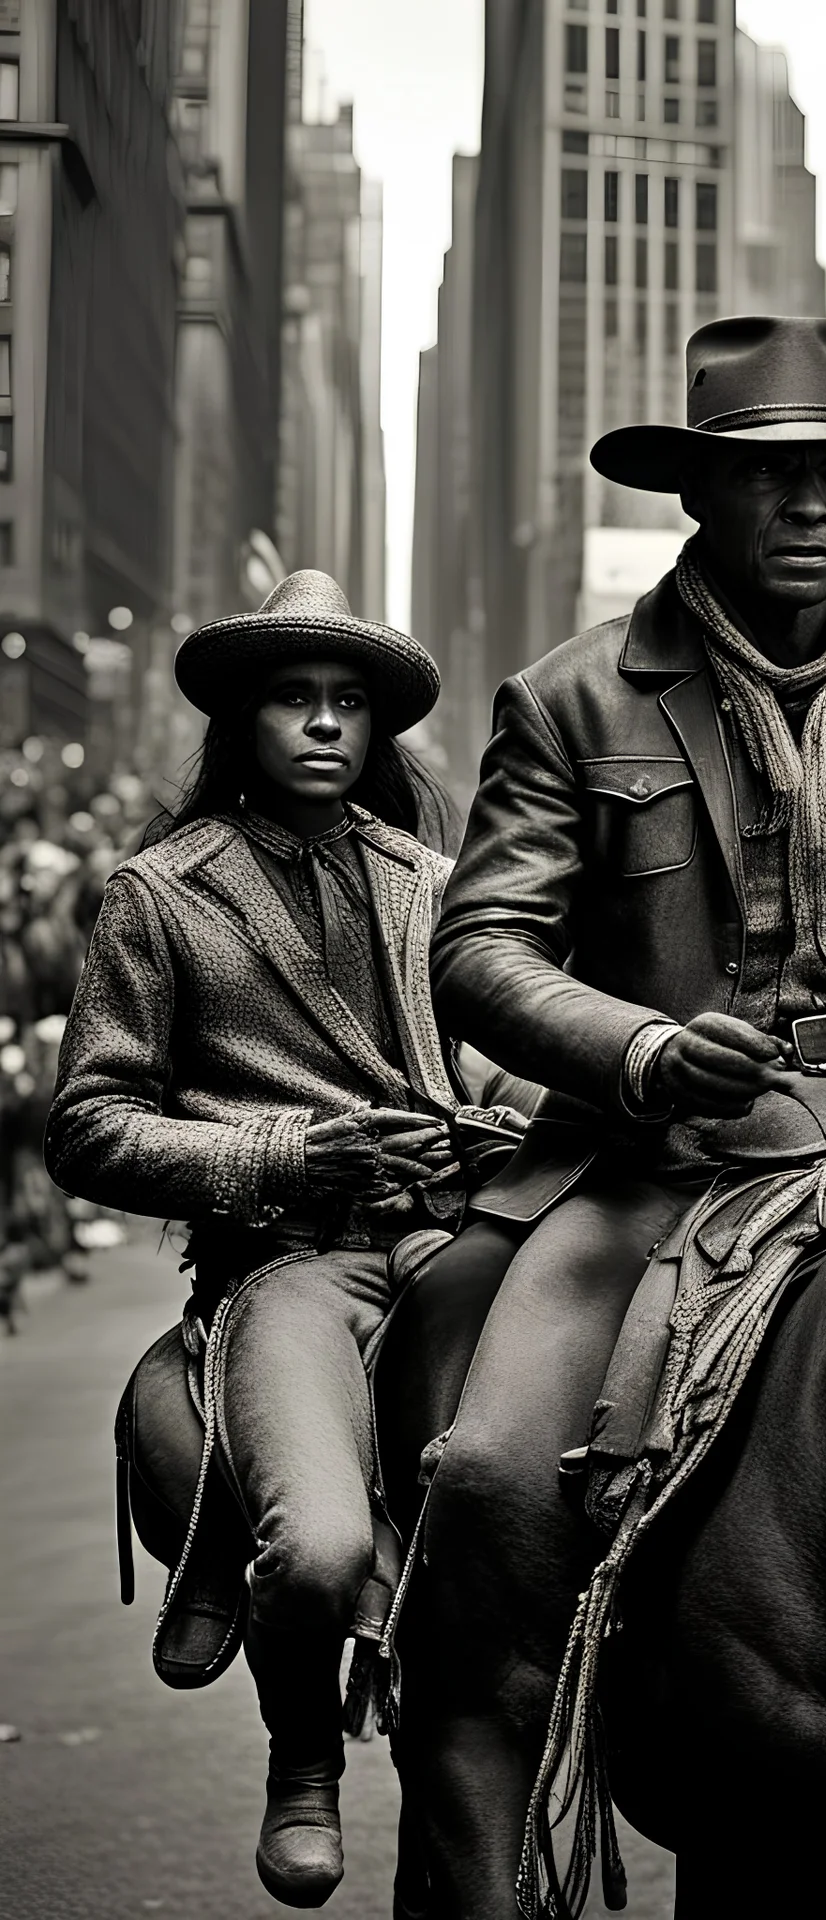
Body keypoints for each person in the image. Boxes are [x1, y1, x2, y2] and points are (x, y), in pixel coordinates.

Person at [401, 314, 826, 1852]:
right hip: (661, 1159)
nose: (810, 506)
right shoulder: (574, 698)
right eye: (770, 478)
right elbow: (484, 949)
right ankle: (482, 1736)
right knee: (504, 1467)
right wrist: (641, 1047)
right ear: (699, 494)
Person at [45, 572, 462, 1907]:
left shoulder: (436, 884)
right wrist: (280, 1155)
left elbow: (500, 1065)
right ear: (241, 716)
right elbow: (90, 1128)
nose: (326, 725)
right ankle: (302, 1756)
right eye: (295, 697)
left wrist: (498, 1128)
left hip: (461, 1249)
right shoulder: (157, 896)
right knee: (324, 1546)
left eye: (348, 702)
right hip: (288, 1266)